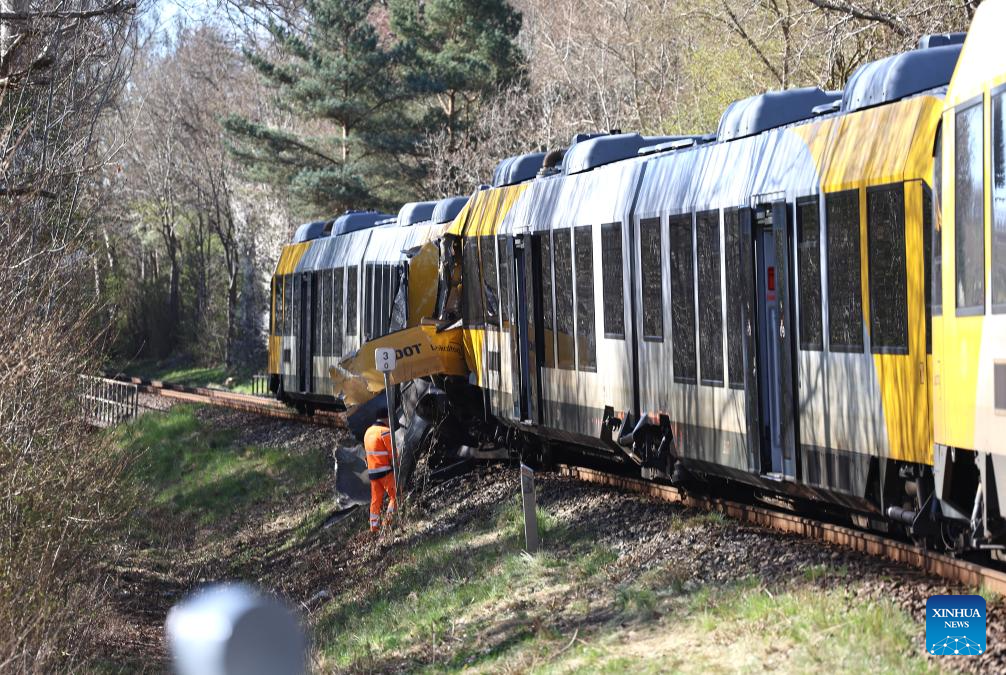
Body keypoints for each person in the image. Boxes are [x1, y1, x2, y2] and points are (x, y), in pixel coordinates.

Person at [364, 408, 396, 533]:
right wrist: (396, 465)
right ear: (386, 418)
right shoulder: (385, 432)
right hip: (386, 472)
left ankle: (374, 528)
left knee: (375, 501)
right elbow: (392, 453)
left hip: (373, 473)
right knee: (396, 496)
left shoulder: (368, 432)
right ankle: (387, 523)